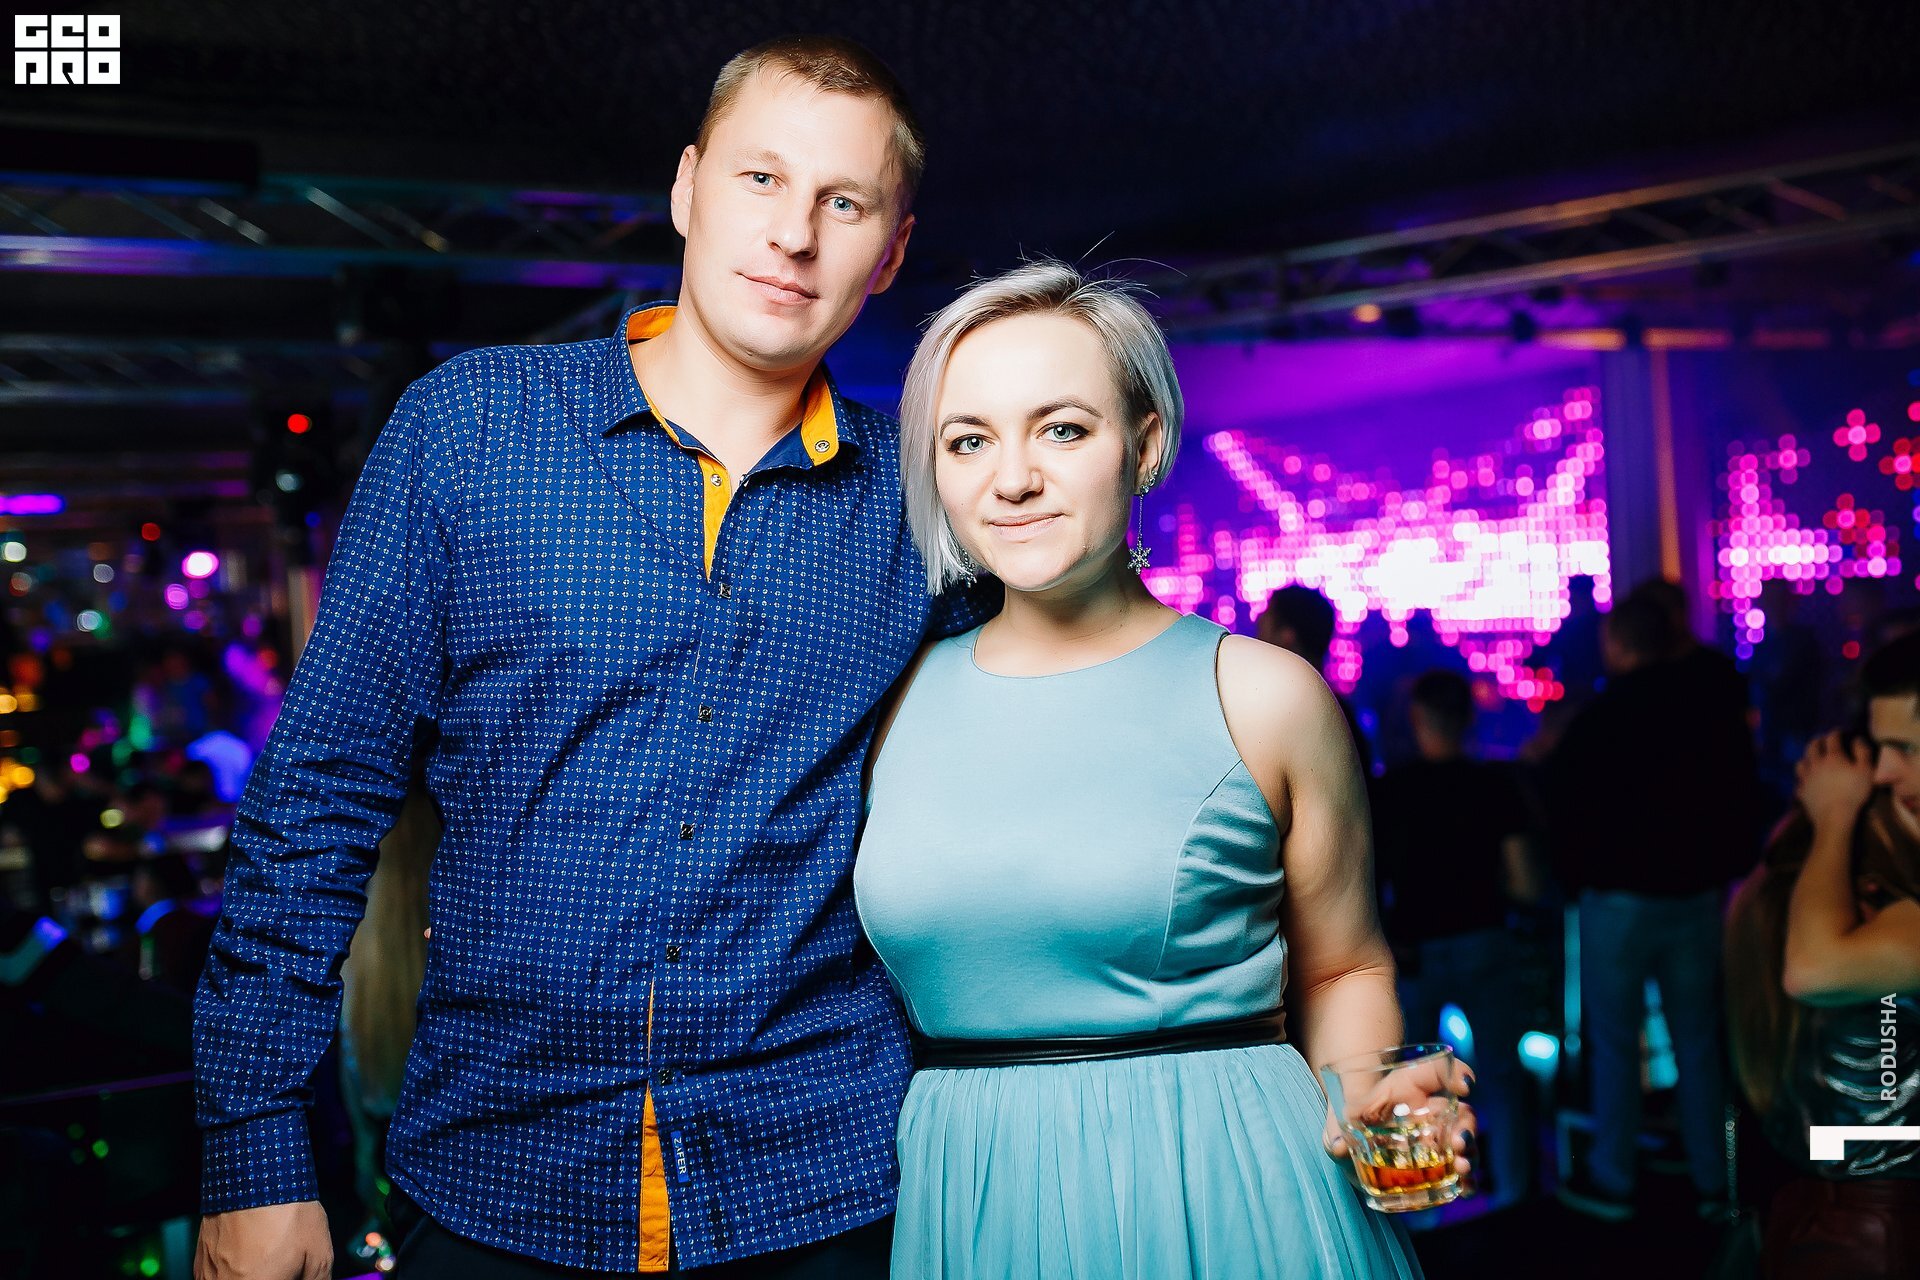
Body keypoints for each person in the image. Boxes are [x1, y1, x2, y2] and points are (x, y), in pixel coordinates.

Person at [194, 34, 972, 1280]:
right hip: (497, 1179)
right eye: (761, 179)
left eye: (844, 202)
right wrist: (254, 1151)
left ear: (889, 251)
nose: (793, 234)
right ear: (687, 187)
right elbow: (318, 799)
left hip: (822, 1188)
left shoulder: (925, 504)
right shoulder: (472, 429)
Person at [856, 261, 1465, 1278]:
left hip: (1230, 1183)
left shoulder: (1265, 695)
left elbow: (1345, 966)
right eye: (969, 440)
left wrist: (1372, 1093)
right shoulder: (889, 703)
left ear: (1144, 445)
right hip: (971, 1189)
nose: (1014, 478)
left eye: (1062, 429)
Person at [1547, 592, 1760, 1222]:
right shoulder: (1708, 711)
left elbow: (1567, 812)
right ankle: (1712, 1178)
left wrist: (1574, 880)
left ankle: (1614, 1177)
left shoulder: (1597, 720)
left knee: (1615, 1042)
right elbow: (1739, 795)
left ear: (1617, 644)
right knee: (1698, 1040)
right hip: (1693, 896)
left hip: (1617, 901)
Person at [1725, 633, 1920, 1278]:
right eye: (1880, 748)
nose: (1884, 773)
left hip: (1856, 1221)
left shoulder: (1836, 872)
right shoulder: (1856, 883)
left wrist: (1834, 818)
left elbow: (1811, 972)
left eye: (1909, 749)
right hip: (1842, 1216)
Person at [1374, 669, 1541, 1210]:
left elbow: (1371, 882)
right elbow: (1525, 881)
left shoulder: (1391, 791)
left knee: (1413, 1088)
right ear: (1468, 717)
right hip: (1484, 940)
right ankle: (1512, 1198)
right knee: (1501, 1075)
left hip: (1415, 949)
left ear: (1417, 718)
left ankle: (1426, 1207)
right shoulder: (1494, 784)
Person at [1258, 584, 1374, 776]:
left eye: (1264, 624)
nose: (1258, 623)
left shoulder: (1282, 716)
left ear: (1287, 636)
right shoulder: (1342, 716)